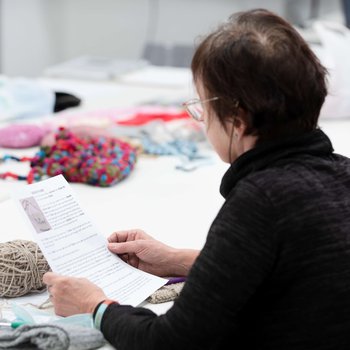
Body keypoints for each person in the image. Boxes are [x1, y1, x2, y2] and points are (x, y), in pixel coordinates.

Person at [43, 8, 350, 349]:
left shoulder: (262, 200)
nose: (201, 121)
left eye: (203, 106)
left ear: (237, 120)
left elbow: (171, 341)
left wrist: (94, 306)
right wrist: (179, 260)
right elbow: (288, 271)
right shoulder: (341, 173)